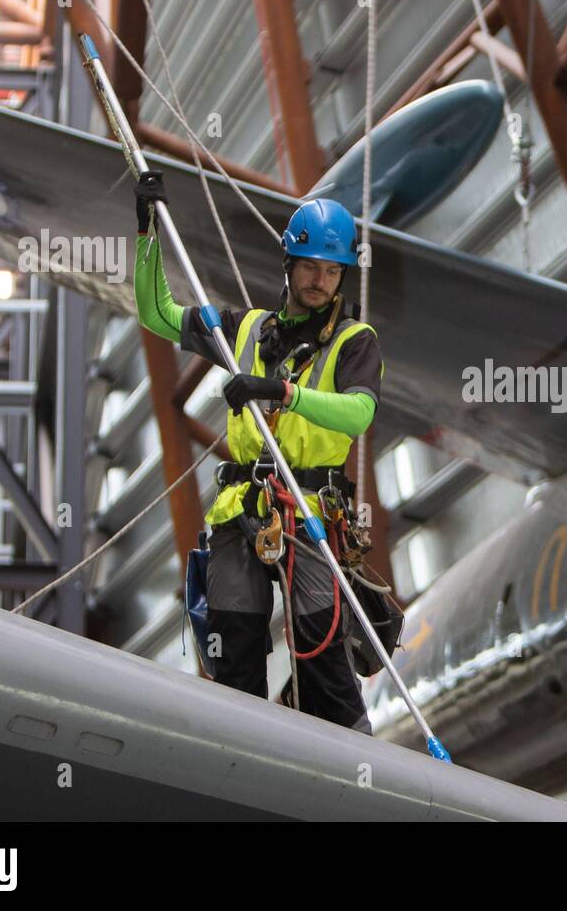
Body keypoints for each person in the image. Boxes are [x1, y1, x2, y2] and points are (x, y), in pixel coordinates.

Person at [131, 169, 381, 734]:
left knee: (323, 660)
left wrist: (282, 392)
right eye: (311, 266)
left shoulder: (354, 342)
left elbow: (360, 412)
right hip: (242, 508)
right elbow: (157, 314)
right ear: (288, 265)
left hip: (310, 511)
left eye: (332, 269)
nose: (320, 280)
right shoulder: (244, 329)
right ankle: (242, 760)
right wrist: (147, 234)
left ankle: (357, 766)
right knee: (233, 654)